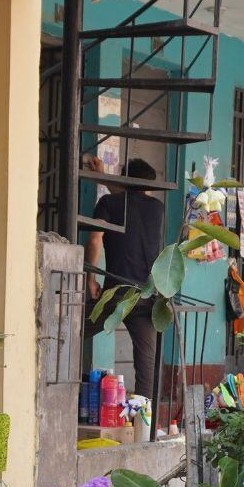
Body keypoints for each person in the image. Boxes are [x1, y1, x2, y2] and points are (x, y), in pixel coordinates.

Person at [83, 155, 166, 402]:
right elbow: (132, 203)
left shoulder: (109, 203)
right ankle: (144, 423)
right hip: (149, 295)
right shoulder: (158, 209)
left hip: (116, 293)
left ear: (124, 179)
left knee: (70, 331)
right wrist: (104, 175)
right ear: (150, 186)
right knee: (146, 366)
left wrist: (90, 278)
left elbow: (95, 238)